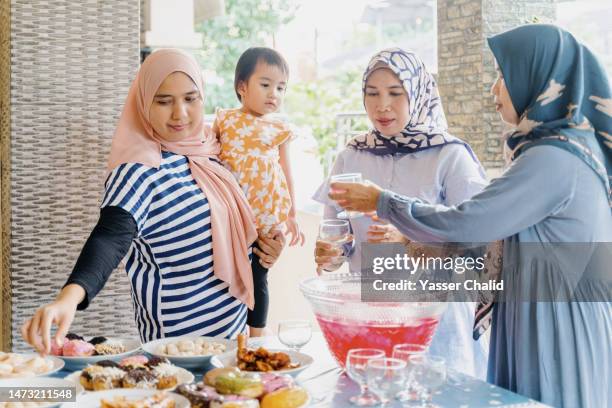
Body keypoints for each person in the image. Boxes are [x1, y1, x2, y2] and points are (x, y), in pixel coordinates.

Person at [329, 25, 612, 408]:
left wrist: (384, 203)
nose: (494, 88)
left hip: (555, 328)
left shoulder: (553, 159)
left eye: (502, 75)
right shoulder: (553, 150)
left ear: (538, 78)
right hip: (538, 312)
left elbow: (468, 223)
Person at [21, 49, 285, 354]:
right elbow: (110, 237)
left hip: (233, 344)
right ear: (144, 102)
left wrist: (265, 250)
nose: (180, 114)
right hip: (177, 354)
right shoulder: (139, 170)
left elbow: (237, 232)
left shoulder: (215, 154)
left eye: (190, 98)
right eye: (163, 101)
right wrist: (69, 296)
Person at [313, 48, 489, 378]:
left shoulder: (450, 156)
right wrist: (330, 254)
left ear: (417, 93)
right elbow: (338, 239)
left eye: (396, 93)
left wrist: (410, 239)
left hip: (436, 320)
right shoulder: (351, 156)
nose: (382, 106)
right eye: (372, 93)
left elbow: (478, 245)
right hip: (370, 317)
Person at [213, 47, 304, 337]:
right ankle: (229, 332)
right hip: (232, 214)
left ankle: (256, 338)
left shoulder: (279, 128)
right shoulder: (225, 120)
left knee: (259, 275)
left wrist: (291, 215)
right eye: (265, 85)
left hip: (266, 217)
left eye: (281, 87)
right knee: (228, 273)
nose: (273, 94)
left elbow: (287, 172)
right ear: (242, 86)